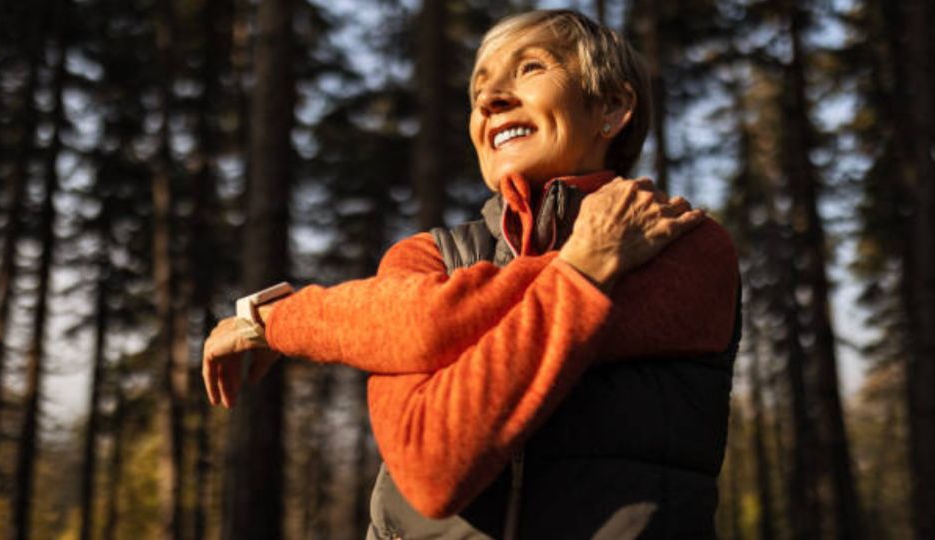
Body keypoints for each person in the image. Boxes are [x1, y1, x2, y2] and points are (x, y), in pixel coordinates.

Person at [203, 9, 740, 539]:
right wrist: (586, 266)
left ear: (614, 105)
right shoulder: (425, 257)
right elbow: (431, 463)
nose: (490, 100)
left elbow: (430, 325)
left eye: (531, 68)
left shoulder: (686, 247)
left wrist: (285, 318)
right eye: (479, 89)